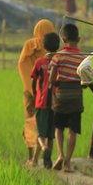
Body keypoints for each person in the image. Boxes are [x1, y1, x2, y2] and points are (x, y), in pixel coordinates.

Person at [17, 19, 57, 164]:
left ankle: (31, 158)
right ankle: (46, 157)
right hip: (50, 95)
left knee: (30, 123)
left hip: (32, 92)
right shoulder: (53, 48)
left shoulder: (30, 45)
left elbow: (22, 64)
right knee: (47, 127)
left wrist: (30, 87)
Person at [48, 23, 86, 172]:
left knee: (59, 128)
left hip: (60, 97)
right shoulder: (82, 58)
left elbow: (51, 80)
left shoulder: (58, 56)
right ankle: (68, 162)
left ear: (63, 39)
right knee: (72, 130)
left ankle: (60, 155)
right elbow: (85, 81)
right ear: (79, 39)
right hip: (76, 98)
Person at [30, 31, 61, 168]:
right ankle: (46, 161)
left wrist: (35, 94)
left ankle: (43, 148)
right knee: (50, 134)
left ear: (44, 45)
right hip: (55, 102)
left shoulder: (39, 62)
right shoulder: (59, 61)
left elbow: (33, 81)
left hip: (41, 101)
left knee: (40, 132)